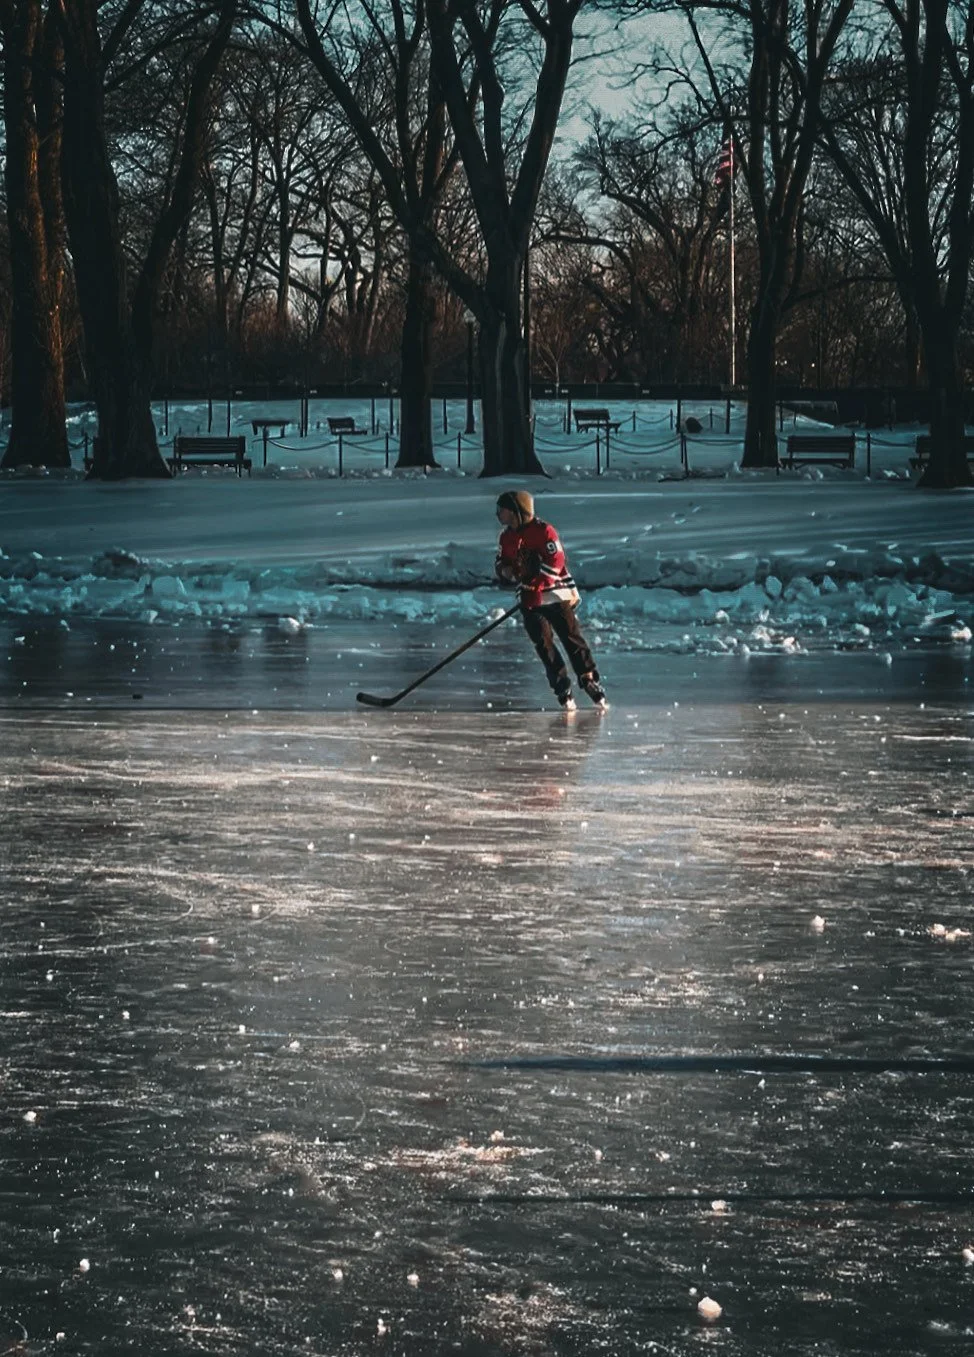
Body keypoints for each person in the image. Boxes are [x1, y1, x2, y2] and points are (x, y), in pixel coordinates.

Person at [494, 489, 607, 711]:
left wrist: (538, 583)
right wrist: (507, 571)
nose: (498, 515)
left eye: (503, 510)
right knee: (543, 642)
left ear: (517, 511)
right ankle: (561, 685)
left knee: (571, 637)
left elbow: (556, 561)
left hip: (556, 594)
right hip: (529, 599)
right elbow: (501, 561)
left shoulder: (544, 531)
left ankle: (588, 677)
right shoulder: (506, 537)